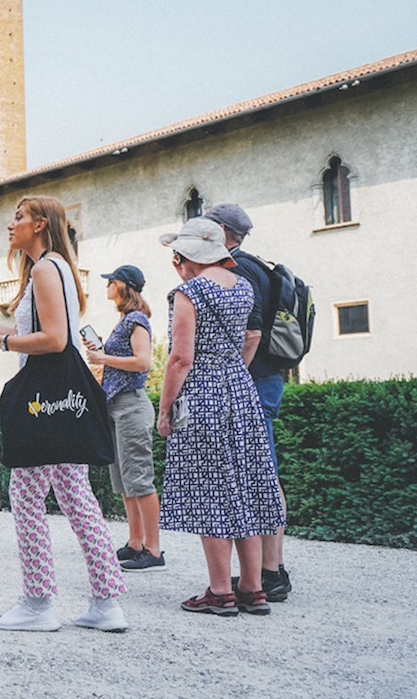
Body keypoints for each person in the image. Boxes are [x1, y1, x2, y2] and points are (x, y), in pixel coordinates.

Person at [0, 196, 129, 634]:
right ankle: (106, 601)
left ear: (40, 225)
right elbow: (35, 334)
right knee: (77, 498)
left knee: (26, 495)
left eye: (18, 217)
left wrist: (0, 344)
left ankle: (38, 603)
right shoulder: (57, 267)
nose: (10, 224)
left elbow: (55, 340)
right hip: (66, 401)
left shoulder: (42, 269)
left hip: (45, 402)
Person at [156, 217, 285, 617]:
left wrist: (164, 411)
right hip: (240, 390)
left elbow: (180, 358)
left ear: (185, 256)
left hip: (204, 394)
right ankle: (252, 589)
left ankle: (219, 591)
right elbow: (251, 337)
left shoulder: (188, 292)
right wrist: (233, 370)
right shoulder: (243, 287)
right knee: (244, 488)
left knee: (211, 490)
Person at [203, 202, 292, 602]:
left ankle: (269, 574)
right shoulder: (255, 265)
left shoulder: (239, 268)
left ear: (222, 231)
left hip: (253, 381)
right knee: (260, 472)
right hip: (266, 379)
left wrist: (230, 379)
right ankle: (267, 572)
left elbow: (250, 333)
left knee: (261, 474)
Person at [82, 264, 164, 572]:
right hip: (115, 406)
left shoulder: (137, 320)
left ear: (123, 287)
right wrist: (103, 351)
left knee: (139, 479)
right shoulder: (124, 321)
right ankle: (135, 543)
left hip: (131, 406)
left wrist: (103, 357)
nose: (107, 285)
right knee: (125, 481)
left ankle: (154, 551)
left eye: (111, 281)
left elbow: (143, 362)